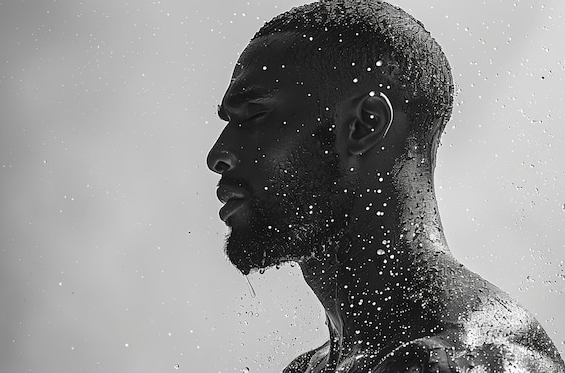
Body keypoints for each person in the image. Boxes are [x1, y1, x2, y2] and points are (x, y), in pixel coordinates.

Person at [206, 0, 565, 371]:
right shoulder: (312, 368)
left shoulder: (464, 359)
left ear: (365, 125)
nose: (218, 154)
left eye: (253, 116)